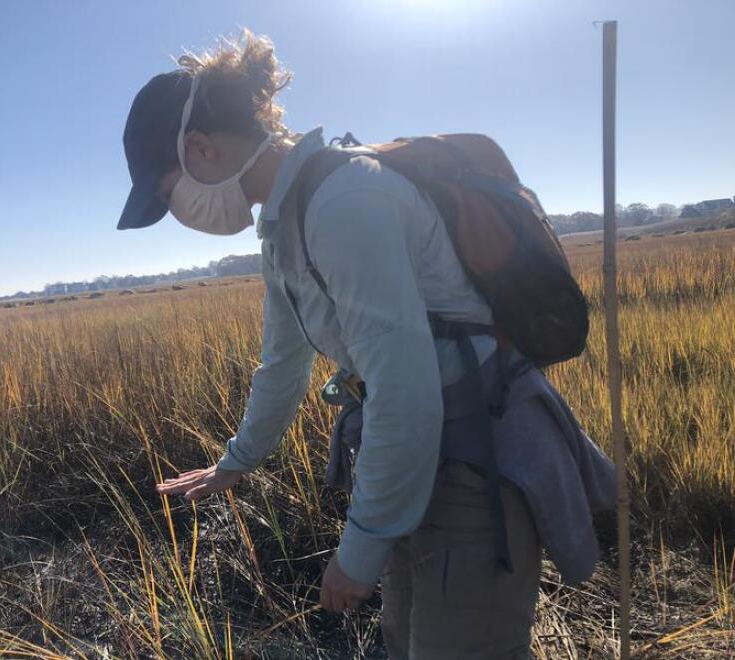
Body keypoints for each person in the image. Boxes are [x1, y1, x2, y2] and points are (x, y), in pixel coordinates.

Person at [118, 29, 616, 660]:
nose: (181, 214)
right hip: (423, 460)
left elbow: (406, 396)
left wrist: (358, 553)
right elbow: (283, 361)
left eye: (168, 197)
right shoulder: (284, 224)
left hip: (477, 460)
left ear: (199, 150)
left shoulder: (344, 202)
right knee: (409, 641)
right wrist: (236, 461)